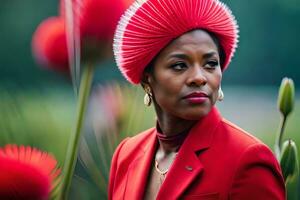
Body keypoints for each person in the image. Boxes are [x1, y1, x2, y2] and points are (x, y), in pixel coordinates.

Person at [109, 0, 286, 199]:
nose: (199, 77)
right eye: (179, 65)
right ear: (147, 77)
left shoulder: (247, 159)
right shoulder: (126, 155)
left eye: (210, 64)